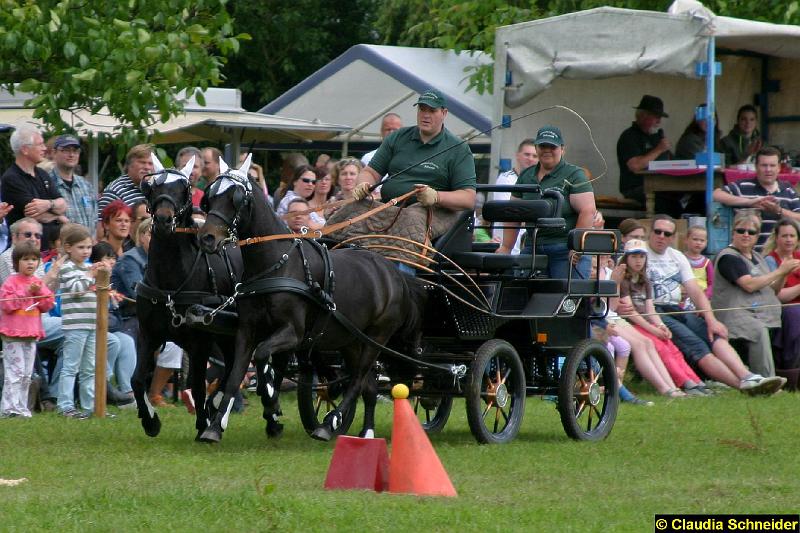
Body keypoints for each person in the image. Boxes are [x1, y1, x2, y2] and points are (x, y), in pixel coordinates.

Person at [636, 214, 785, 395]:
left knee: (714, 334)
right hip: (652, 312)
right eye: (657, 232)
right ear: (649, 233)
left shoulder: (677, 256)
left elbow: (695, 291)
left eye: (667, 234)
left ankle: (749, 377)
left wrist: (711, 319)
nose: (661, 236)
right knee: (697, 346)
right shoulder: (639, 254)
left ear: (674, 237)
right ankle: (743, 386)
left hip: (678, 309)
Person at [496, 126, 596, 279]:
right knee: (520, 293)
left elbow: (588, 210)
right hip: (533, 247)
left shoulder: (575, 174)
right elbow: (513, 212)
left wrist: (576, 246)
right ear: (537, 148)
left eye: (552, 146)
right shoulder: (526, 176)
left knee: (564, 299)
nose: (547, 150)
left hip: (565, 248)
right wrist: (506, 247)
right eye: (543, 146)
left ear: (562, 149)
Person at [354, 89, 477, 213]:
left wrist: (437, 197)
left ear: (444, 113)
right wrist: (363, 184)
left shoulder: (459, 148)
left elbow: (468, 198)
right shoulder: (397, 137)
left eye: (432, 111)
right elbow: (370, 172)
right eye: (422, 109)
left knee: (410, 221)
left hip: (432, 214)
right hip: (388, 208)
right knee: (348, 213)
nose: (426, 115)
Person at [617, 239, 713, 395]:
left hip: (646, 323)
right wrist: (653, 330)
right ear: (626, 258)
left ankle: (695, 381)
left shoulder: (645, 281)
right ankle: (682, 383)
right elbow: (630, 312)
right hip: (633, 324)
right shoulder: (624, 281)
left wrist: (661, 326)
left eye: (642, 256)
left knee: (671, 345)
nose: (638, 260)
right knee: (661, 347)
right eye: (634, 256)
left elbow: (650, 309)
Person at [711, 212, 799, 378]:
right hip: (735, 315)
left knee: (789, 320)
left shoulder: (757, 257)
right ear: (733, 233)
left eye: (751, 232)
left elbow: (774, 290)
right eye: (741, 230)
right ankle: (767, 378)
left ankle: (789, 371)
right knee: (758, 329)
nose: (746, 235)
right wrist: (780, 271)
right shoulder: (728, 257)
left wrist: (784, 274)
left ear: (757, 236)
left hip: (760, 312)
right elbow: (749, 285)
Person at [111, 218, 182, 407]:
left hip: (158, 315)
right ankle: (139, 392)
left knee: (177, 340)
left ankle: (156, 393)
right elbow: (137, 294)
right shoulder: (130, 259)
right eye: (151, 234)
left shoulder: (164, 260)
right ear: (141, 236)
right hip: (129, 317)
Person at [0, 241, 55, 418]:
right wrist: (26, 292)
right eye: (25, 259)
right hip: (13, 335)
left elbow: (47, 305)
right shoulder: (11, 282)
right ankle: (9, 408)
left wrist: (40, 292)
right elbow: (8, 305)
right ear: (17, 262)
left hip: (31, 335)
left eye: (34, 259)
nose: (30, 263)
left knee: (26, 374)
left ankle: (23, 408)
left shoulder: (38, 282)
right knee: (14, 373)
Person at [56, 224, 102, 418]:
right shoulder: (67, 268)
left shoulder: (87, 268)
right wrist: (90, 275)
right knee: (70, 366)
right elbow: (76, 290)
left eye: (89, 247)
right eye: (81, 247)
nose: (86, 251)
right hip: (76, 326)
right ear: (68, 248)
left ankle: (89, 405)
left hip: (91, 324)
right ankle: (65, 405)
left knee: (89, 368)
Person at [712, 147, 800, 246]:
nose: (768, 170)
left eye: (772, 165)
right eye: (764, 165)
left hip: (778, 256)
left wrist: (779, 211)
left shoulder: (788, 190)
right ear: (756, 166)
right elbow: (715, 195)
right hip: (747, 255)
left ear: (779, 167)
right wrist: (750, 202)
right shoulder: (742, 186)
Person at [2, 125, 68, 252]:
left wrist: (48, 204)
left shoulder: (42, 174)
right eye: (40, 144)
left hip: (49, 250)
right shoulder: (11, 179)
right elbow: (35, 215)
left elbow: (63, 204)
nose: (44, 148)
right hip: (25, 253)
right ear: (25, 149)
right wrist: (58, 216)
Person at [617, 95, 672, 205]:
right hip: (637, 187)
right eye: (656, 117)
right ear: (642, 115)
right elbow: (635, 165)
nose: (659, 121)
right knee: (667, 202)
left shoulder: (655, 138)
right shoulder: (629, 136)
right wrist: (659, 149)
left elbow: (670, 160)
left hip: (661, 185)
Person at [764, 219, 800, 382]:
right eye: (784, 235)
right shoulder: (770, 261)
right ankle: (791, 370)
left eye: (792, 236)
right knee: (794, 313)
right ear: (776, 238)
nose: (788, 239)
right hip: (783, 309)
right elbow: (778, 296)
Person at [492, 138, 539, 253]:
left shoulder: (538, 182)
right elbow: (508, 214)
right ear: (517, 155)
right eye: (527, 154)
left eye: (534, 156)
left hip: (528, 246)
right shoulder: (506, 179)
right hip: (508, 246)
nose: (530, 159)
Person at [96, 144, 153, 239]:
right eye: (142, 162)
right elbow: (101, 230)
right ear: (129, 166)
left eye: (150, 163)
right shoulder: (115, 191)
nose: (147, 167)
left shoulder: (155, 188)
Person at [49, 135, 97, 233]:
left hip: (87, 246)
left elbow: (94, 219)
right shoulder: (47, 183)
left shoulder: (86, 186)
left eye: (75, 151)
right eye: (66, 150)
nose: (71, 155)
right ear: (54, 153)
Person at [276, 165, 322, 230]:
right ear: (295, 182)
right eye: (306, 180)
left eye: (314, 182)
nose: (310, 184)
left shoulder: (298, 200)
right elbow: (314, 226)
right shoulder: (292, 200)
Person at [682, 225, 713, 305]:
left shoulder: (707, 262)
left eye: (702, 240)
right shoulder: (680, 259)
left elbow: (712, 284)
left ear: (706, 243)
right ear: (686, 240)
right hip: (683, 300)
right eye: (695, 239)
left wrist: (705, 297)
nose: (698, 243)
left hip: (701, 300)